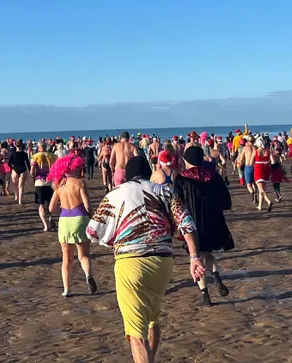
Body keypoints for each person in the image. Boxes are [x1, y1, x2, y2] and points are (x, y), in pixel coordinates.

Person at [87, 155, 206, 363]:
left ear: (127, 175)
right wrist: (194, 257)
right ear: (149, 171)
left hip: (130, 263)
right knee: (152, 320)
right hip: (163, 263)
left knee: (136, 334)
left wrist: (115, 238)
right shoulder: (164, 191)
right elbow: (187, 224)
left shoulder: (115, 194)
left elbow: (92, 231)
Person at [173, 145, 235, 306]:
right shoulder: (213, 175)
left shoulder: (181, 178)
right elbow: (226, 201)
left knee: (196, 257)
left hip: (193, 223)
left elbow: (177, 204)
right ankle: (216, 277)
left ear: (186, 160)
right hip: (213, 220)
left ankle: (205, 295)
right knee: (208, 253)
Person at [48, 152, 97, 297]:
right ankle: (88, 275)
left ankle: (67, 290)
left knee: (66, 259)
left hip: (65, 221)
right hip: (80, 219)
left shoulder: (59, 184)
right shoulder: (80, 183)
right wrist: (92, 217)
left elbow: (51, 208)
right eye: (78, 167)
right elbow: (88, 206)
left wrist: (63, 210)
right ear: (74, 168)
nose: (79, 170)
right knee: (84, 255)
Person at [32, 149, 55, 231]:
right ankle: (50, 218)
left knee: (41, 205)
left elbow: (32, 171)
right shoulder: (52, 156)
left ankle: (45, 225)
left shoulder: (35, 156)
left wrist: (34, 177)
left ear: (39, 148)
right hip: (49, 181)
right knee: (49, 203)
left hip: (39, 182)